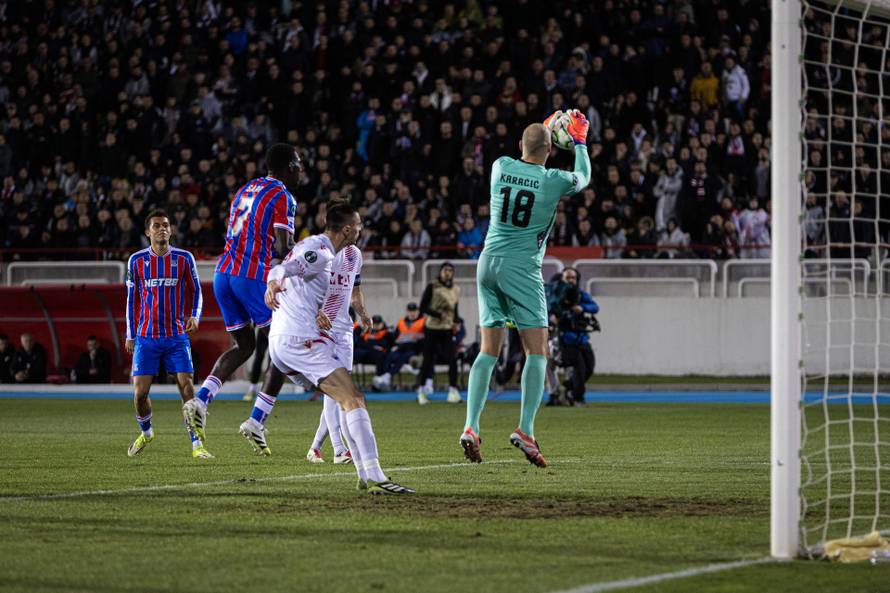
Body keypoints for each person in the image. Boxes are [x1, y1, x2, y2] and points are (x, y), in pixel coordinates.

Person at [460, 111, 590, 468]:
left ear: (520, 145)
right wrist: (577, 142)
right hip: (522, 267)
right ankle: (526, 430)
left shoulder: (500, 165)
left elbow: (532, 145)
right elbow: (584, 176)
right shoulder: (553, 180)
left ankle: (471, 427)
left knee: (488, 352)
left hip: (488, 263)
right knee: (537, 351)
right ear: (551, 148)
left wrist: (548, 127)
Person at [261, 201, 414, 494]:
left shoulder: (344, 254)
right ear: (347, 229)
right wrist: (272, 283)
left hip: (294, 342)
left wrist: (358, 310)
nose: (361, 229)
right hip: (301, 341)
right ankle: (377, 476)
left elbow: (342, 287)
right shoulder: (319, 252)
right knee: (352, 397)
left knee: (344, 398)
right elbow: (284, 268)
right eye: (358, 225)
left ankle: (362, 472)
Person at [183, 144, 300, 439]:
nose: (300, 170)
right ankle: (257, 421)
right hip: (251, 277)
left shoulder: (247, 188)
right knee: (282, 348)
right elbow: (284, 248)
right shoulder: (283, 195)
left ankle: (201, 400)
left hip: (224, 273)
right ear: (288, 167)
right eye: (297, 164)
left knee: (245, 345)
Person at [125, 210, 208, 459]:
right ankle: (147, 432)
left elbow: (197, 292)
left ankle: (197, 445)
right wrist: (130, 334)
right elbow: (131, 301)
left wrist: (195, 315)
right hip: (146, 337)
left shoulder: (184, 258)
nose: (162, 229)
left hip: (176, 336)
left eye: (166, 225)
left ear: (171, 230)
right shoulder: (136, 261)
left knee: (187, 387)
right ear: (147, 232)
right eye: (157, 225)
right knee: (140, 394)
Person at [548, 267, 599, 406]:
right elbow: (547, 311)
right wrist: (553, 316)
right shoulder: (555, 295)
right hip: (565, 339)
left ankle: (569, 386)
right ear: (562, 279)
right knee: (578, 367)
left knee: (589, 367)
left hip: (581, 336)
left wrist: (582, 308)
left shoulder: (581, 295)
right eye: (567, 278)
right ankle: (577, 397)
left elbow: (595, 307)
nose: (570, 281)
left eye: (573, 278)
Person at [417, 261, 462, 405]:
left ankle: (453, 391)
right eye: (445, 270)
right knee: (428, 360)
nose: (447, 272)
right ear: (440, 271)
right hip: (432, 328)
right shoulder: (433, 286)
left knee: (452, 359)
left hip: (447, 329)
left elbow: (455, 309)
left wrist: (456, 322)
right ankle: (422, 391)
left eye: (450, 270)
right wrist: (437, 314)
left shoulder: (455, 289)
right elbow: (423, 307)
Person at [371, 303, 425, 392]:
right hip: (401, 347)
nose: (412, 313)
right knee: (390, 356)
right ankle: (385, 379)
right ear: (407, 311)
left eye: (414, 311)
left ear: (418, 311)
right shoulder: (401, 322)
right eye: (410, 311)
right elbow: (396, 338)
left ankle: (386, 376)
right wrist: (395, 345)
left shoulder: (423, 322)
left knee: (403, 357)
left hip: (415, 349)